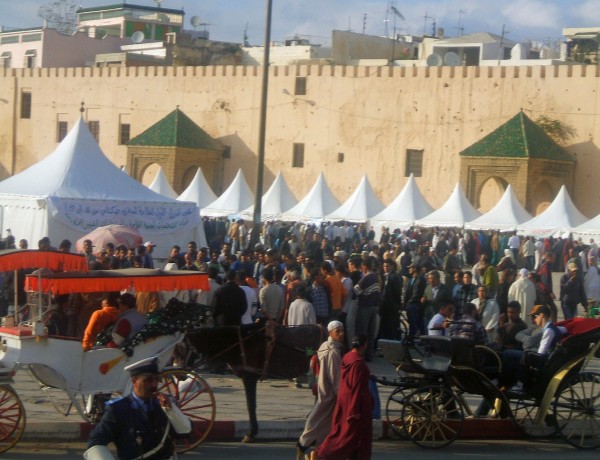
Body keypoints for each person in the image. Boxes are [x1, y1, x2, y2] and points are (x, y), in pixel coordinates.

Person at [86, 357, 191, 460]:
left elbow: (185, 433)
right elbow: (96, 442)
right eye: (148, 380)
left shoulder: (165, 405)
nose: (154, 385)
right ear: (134, 381)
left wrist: (171, 410)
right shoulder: (118, 409)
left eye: (156, 379)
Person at [311, 334, 373, 460]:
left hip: (344, 400)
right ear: (365, 345)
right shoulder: (358, 363)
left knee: (340, 433)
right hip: (356, 406)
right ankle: (320, 454)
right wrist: (354, 411)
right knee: (346, 438)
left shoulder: (348, 356)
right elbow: (356, 388)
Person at [296, 321, 345, 459]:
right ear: (330, 333)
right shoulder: (333, 352)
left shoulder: (324, 346)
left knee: (320, 423)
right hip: (329, 395)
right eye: (338, 331)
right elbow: (336, 378)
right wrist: (342, 397)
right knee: (318, 424)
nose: (341, 334)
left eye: (342, 331)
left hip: (322, 392)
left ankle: (312, 453)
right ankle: (303, 447)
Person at [507, 305, 567, 394]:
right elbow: (564, 329)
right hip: (547, 356)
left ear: (541, 315)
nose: (534, 319)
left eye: (535, 316)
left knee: (517, 354)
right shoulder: (552, 328)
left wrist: (530, 348)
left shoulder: (548, 331)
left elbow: (541, 352)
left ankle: (520, 383)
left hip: (544, 359)